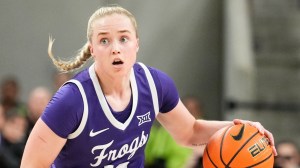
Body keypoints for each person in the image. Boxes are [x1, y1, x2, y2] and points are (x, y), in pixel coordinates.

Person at [21, 5, 277, 168]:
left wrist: (241, 128)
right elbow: (32, 164)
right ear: (92, 49)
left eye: (123, 38)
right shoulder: (72, 100)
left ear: (136, 44)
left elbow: (189, 132)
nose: (116, 47)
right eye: (104, 40)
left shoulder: (154, 85)